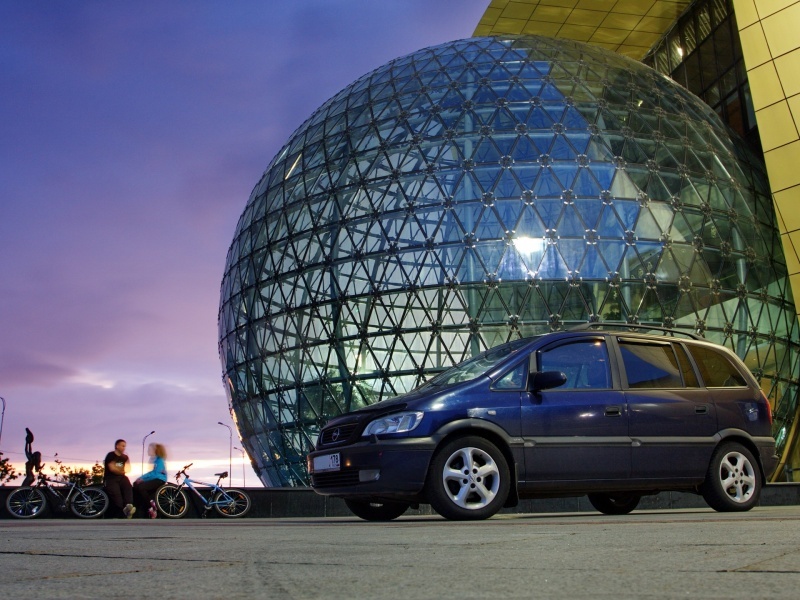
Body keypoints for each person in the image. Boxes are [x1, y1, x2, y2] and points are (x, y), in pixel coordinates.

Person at [134, 443, 168, 519]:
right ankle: (147, 504)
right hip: (155, 478)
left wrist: (142, 479)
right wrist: (141, 478)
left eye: (149, 449)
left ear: (155, 450)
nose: (148, 451)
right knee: (135, 484)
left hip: (160, 479)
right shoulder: (154, 460)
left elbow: (156, 474)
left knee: (141, 487)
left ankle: (151, 507)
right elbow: (151, 473)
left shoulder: (160, 460)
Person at [104, 439, 135, 518]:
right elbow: (112, 468)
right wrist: (121, 471)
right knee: (117, 498)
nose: (124, 448)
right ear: (117, 446)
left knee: (128, 487)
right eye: (122, 446)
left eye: (125, 446)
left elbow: (128, 469)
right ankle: (122, 511)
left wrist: (127, 461)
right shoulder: (111, 455)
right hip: (111, 478)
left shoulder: (125, 457)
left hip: (121, 477)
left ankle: (128, 507)